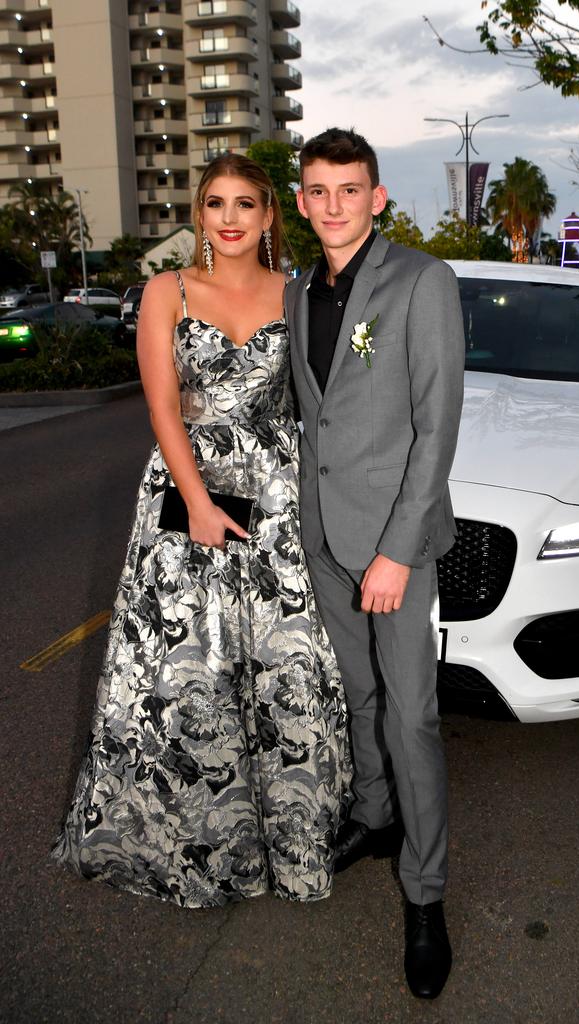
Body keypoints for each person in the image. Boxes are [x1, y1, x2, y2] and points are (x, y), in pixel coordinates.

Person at [52, 154, 350, 908]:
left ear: (271, 215)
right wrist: (199, 502)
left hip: (278, 499)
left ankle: (292, 841)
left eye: (245, 204)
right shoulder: (168, 290)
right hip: (189, 497)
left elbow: (320, 399)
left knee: (286, 666)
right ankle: (197, 847)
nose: (230, 218)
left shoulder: (298, 293)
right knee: (189, 671)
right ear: (198, 215)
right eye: (215, 203)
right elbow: (162, 408)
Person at [284, 128, 465, 1000]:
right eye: (317, 189)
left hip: (392, 547)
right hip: (323, 536)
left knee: (412, 719)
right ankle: (375, 816)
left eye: (348, 189)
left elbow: (437, 430)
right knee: (359, 696)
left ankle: (425, 896)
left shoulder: (422, 282)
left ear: (377, 196)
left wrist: (397, 552)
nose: (332, 205)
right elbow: (314, 415)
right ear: (302, 199)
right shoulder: (298, 291)